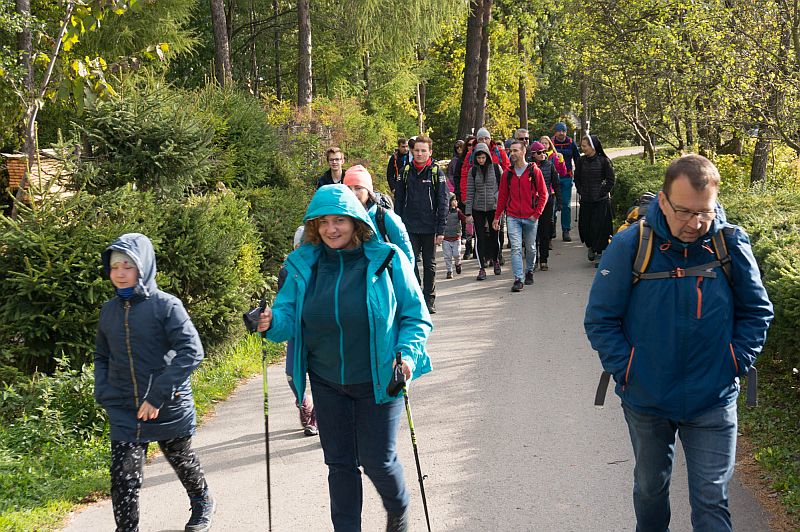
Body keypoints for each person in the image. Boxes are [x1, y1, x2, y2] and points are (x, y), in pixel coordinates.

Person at [584, 154, 774, 532]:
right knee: (651, 490)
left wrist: (734, 361)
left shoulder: (729, 243)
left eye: (704, 212)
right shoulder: (629, 245)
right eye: (685, 211)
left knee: (711, 500)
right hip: (647, 398)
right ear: (663, 200)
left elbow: (757, 311)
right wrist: (629, 369)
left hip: (713, 398)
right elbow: (600, 318)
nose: (696, 223)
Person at [257, 184, 433, 532]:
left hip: (380, 378)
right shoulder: (302, 265)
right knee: (339, 465)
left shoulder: (387, 258)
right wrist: (269, 322)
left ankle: (398, 508)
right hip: (327, 381)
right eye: (323, 222)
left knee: (377, 461)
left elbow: (416, 316)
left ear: (356, 221)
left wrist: (408, 358)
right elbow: (285, 320)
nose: (331, 229)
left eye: (339, 220)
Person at [94, 233, 215, 532]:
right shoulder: (109, 311)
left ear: (143, 267)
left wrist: (157, 396)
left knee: (181, 460)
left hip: (167, 405)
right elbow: (101, 355)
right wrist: (104, 392)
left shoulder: (165, 306)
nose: (120, 273)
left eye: (128, 266)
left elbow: (192, 352)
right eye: (115, 267)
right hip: (124, 409)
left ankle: (202, 500)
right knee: (123, 478)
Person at [393, 135, 449, 314]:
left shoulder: (436, 173)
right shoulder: (405, 171)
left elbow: (443, 201)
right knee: (410, 263)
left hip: (430, 227)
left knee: (429, 264)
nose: (419, 153)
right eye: (416, 150)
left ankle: (429, 299)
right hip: (409, 226)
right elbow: (399, 200)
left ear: (430, 152)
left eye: (423, 150)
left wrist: (441, 229)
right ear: (411, 151)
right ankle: (416, 296)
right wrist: (396, 225)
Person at [493, 140, 547, 292]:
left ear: (524, 152)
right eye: (511, 150)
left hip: (531, 216)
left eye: (516, 150)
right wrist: (497, 217)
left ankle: (529, 270)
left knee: (530, 248)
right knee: (516, 248)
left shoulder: (534, 171)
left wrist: (536, 214)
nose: (513, 153)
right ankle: (518, 278)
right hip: (513, 216)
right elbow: (502, 197)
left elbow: (544, 194)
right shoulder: (507, 174)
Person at [279, 226, 318, 436]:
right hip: (297, 331)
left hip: (321, 332)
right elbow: (284, 304)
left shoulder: (324, 266)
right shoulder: (286, 270)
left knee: (323, 376)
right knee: (292, 375)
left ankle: (316, 417)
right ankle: (304, 402)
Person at [343, 164, 415, 265]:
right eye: (348, 189)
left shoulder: (384, 217)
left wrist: (404, 279)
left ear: (368, 191)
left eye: (358, 188)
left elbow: (406, 253)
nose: (353, 193)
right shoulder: (342, 220)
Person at [574, 135, 615, 267]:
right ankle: (590, 246)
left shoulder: (604, 161)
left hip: (601, 201)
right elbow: (577, 179)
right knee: (586, 227)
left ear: (592, 147)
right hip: (586, 200)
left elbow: (610, 180)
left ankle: (599, 252)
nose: (583, 148)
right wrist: (581, 191)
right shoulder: (580, 161)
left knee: (599, 228)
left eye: (585, 146)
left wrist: (602, 192)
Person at [465, 142, 502, 280]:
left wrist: (499, 204)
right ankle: (481, 268)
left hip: (494, 208)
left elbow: (502, 189)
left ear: (487, 156)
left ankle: (496, 260)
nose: (481, 160)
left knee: (494, 235)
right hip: (478, 208)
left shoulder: (497, 169)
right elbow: (470, 192)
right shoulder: (473, 171)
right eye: (478, 158)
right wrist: (468, 213)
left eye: (483, 157)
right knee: (480, 238)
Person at [530, 141, 562, 271]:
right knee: (532, 233)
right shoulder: (528, 166)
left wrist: (559, 201)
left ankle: (544, 259)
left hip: (547, 203)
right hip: (531, 204)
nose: (543, 154)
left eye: (544, 152)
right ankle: (533, 259)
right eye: (539, 152)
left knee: (544, 232)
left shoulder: (549, 165)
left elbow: (556, 184)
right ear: (533, 154)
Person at [552, 122, 581, 241]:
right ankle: (551, 229)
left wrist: (579, 174)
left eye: (563, 131)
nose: (561, 133)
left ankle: (566, 230)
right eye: (559, 131)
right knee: (552, 205)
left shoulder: (570, 143)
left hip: (566, 177)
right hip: (552, 178)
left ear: (566, 132)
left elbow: (577, 159)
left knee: (566, 205)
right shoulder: (550, 143)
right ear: (555, 132)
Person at [443, 193, 466, 279]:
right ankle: (449, 271)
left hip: (456, 238)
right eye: (454, 200)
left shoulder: (458, 212)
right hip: (446, 238)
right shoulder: (444, 213)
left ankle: (458, 263)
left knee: (456, 254)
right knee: (447, 256)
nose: (456, 202)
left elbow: (464, 219)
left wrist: (468, 219)